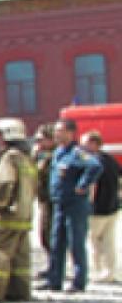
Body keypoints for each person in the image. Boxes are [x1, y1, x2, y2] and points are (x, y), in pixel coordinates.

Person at [43, 118, 102, 292]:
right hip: (59, 203)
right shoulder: (58, 152)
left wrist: (83, 185)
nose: (56, 134)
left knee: (76, 243)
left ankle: (79, 281)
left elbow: (95, 166)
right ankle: (55, 280)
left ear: (70, 133)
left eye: (60, 130)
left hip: (75, 205)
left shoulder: (77, 153)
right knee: (56, 243)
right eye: (55, 131)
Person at [0, 119, 37, 301]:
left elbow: (4, 183)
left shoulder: (9, 157)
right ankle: (20, 291)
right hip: (24, 216)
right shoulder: (26, 158)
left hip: (7, 217)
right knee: (20, 258)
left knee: (0, 253)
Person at [82, 130, 119, 283]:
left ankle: (96, 272)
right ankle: (110, 272)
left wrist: (88, 204)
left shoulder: (92, 161)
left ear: (93, 144)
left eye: (84, 143)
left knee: (94, 241)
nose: (82, 147)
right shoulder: (110, 159)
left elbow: (92, 185)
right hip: (113, 208)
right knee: (109, 242)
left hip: (97, 209)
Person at [32, 125, 55, 278]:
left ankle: (55, 268)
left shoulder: (54, 156)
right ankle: (52, 266)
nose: (38, 143)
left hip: (52, 201)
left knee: (49, 235)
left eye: (41, 139)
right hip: (43, 200)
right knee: (44, 235)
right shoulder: (40, 155)